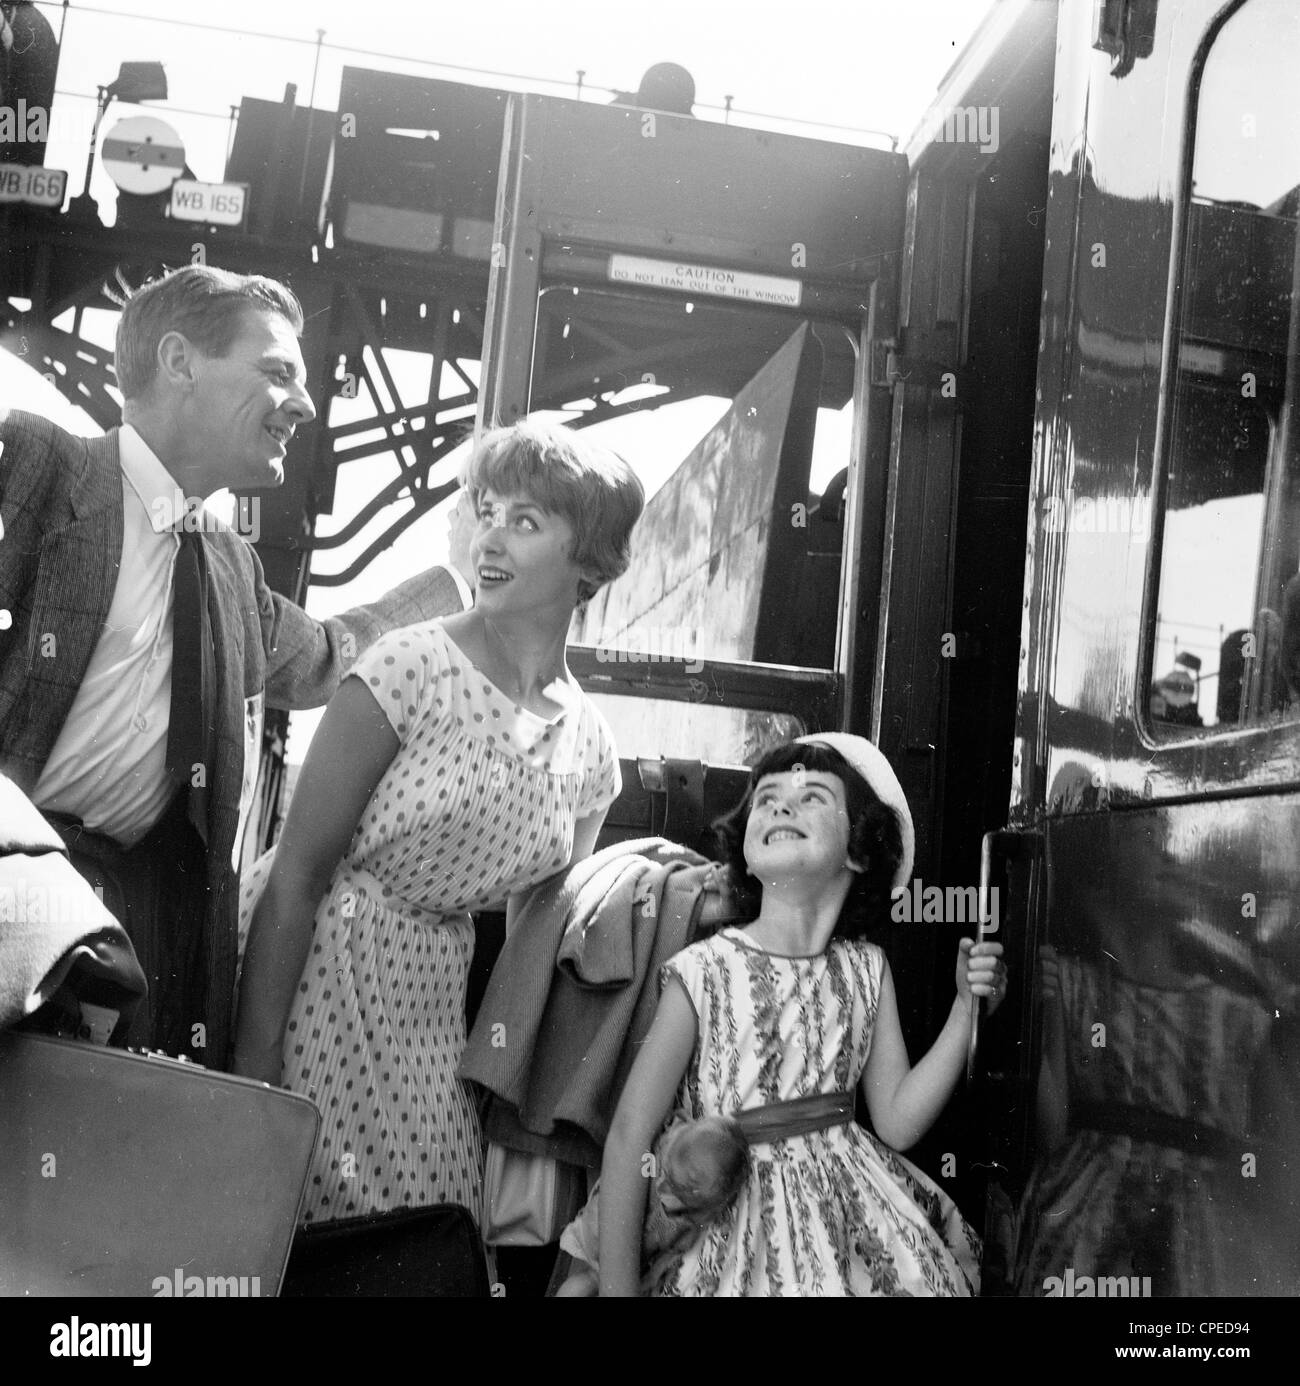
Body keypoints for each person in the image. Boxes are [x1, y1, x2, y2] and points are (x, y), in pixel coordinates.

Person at [0, 265, 468, 1067]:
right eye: (278, 370)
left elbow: (323, 659)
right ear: (180, 363)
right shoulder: (35, 465)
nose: (304, 403)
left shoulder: (228, 564)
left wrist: (459, 584)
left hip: (133, 932)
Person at [232, 419, 645, 1228]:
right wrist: (256, 1070)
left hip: (432, 1007)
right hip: (316, 968)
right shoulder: (407, 664)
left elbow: (535, 949)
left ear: (591, 559)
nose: (489, 536)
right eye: (485, 509)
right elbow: (296, 877)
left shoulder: (594, 750)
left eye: (525, 521)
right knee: (299, 1220)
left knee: (435, 1225)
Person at [597, 732, 1007, 1296]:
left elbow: (896, 1121)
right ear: (745, 846)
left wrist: (966, 1009)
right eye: (766, 798)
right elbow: (628, 1137)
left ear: (860, 850)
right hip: (728, 1233)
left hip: (850, 1234)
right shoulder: (703, 971)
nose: (782, 805)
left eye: (812, 795)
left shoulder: (867, 970)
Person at [555, 1114, 749, 1296]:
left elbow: (672, 1253)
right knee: (588, 1280)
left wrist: (650, 1278)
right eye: (667, 1170)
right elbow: (634, 1164)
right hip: (604, 1224)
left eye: (675, 1188)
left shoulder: (690, 1220)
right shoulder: (661, 1151)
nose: (663, 1185)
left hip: (634, 1254)